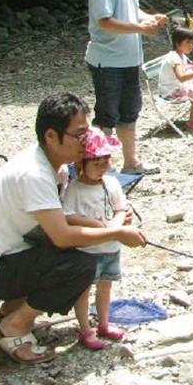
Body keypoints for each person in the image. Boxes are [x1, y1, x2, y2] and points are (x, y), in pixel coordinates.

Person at [0, 93, 147, 365]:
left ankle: (12, 312)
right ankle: (13, 327)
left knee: (74, 254)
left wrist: (111, 219)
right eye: (79, 135)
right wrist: (116, 233)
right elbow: (62, 236)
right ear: (51, 136)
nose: (86, 143)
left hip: (11, 253)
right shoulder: (34, 174)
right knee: (81, 266)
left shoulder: (55, 169)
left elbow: (60, 220)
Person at [85, 0, 166, 175]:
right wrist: (141, 28)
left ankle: (130, 162)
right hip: (107, 61)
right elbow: (105, 22)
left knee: (130, 112)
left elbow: (132, 11)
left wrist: (149, 18)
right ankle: (101, 166)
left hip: (130, 59)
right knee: (107, 114)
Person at [63, 128, 131, 350]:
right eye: (96, 163)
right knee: (83, 290)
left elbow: (121, 209)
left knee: (106, 286)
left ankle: (104, 323)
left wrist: (115, 226)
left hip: (111, 248)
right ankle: (85, 329)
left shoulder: (111, 184)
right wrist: (98, 226)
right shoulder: (75, 188)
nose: (102, 168)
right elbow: (68, 216)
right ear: (81, 164)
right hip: (87, 250)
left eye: (105, 162)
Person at [158, 26, 193, 131]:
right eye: (188, 42)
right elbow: (182, 78)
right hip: (170, 92)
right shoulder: (174, 58)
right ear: (178, 43)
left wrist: (191, 69)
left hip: (177, 87)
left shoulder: (181, 56)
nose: (191, 45)